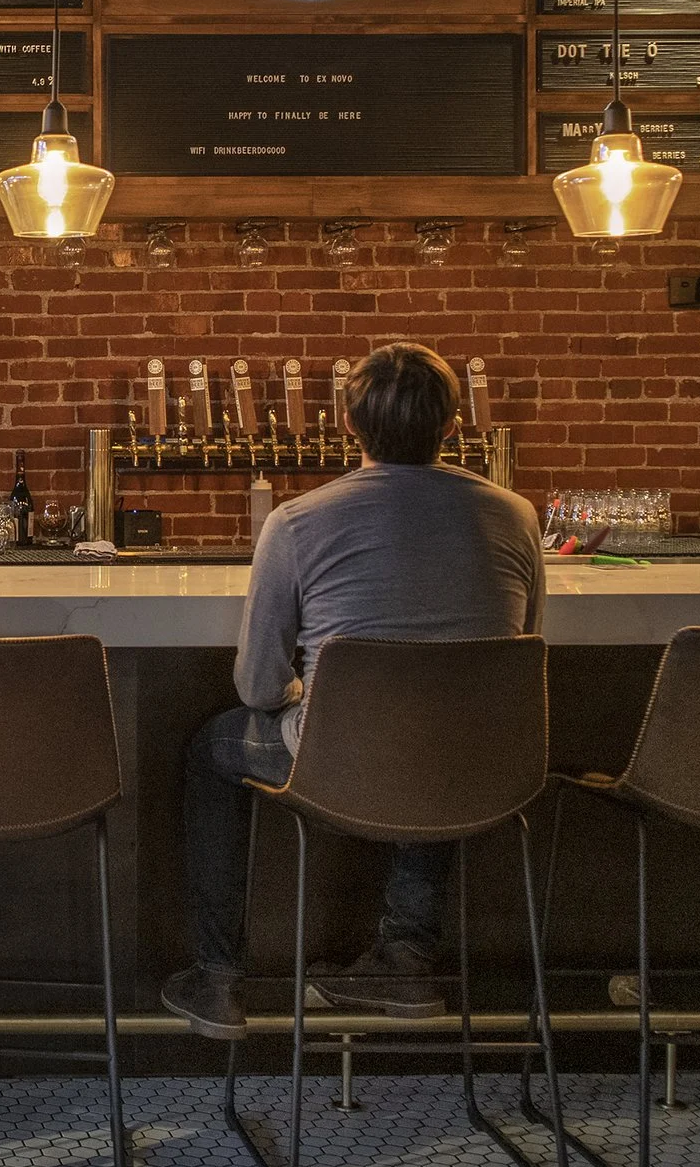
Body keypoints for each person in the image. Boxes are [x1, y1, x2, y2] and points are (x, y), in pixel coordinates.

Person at [161, 342, 543, 1042]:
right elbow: (513, 655)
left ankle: (217, 980)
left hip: (337, 771)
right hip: (482, 766)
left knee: (211, 748)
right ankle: (404, 957)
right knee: (442, 721)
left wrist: (316, 690)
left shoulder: (299, 522)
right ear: (455, 427)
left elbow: (257, 685)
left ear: (347, 423)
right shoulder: (516, 516)